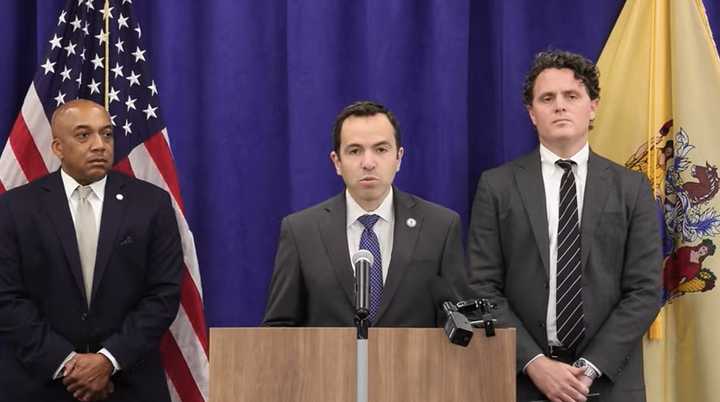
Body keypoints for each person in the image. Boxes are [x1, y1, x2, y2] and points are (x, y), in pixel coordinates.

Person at [468, 51, 662, 402]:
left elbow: (646, 290)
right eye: (547, 98)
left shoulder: (632, 188)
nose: (560, 106)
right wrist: (534, 363)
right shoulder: (497, 186)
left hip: (609, 382)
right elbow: (482, 287)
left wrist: (588, 369)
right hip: (522, 382)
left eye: (571, 96)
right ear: (531, 113)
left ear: (593, 107)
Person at [0, 99, 182, 402]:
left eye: (107, 134)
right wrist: (66, 364)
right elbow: (6, 297)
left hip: (128, 385)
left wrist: (108, 361)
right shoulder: (14, 208)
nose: (99, 145)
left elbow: (163, 294)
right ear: (57, 147)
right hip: (38, 384)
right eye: (84, 135)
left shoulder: (152, 204)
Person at [263, 100, 467, 327]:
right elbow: (279, 329)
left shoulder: (439, 227)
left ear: (398, 157)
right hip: (328, 362)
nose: (368, 163)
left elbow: (458, 324)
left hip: (413, 362)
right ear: (337, 162)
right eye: (354, 151)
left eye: (381, 149)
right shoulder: (301, 231)